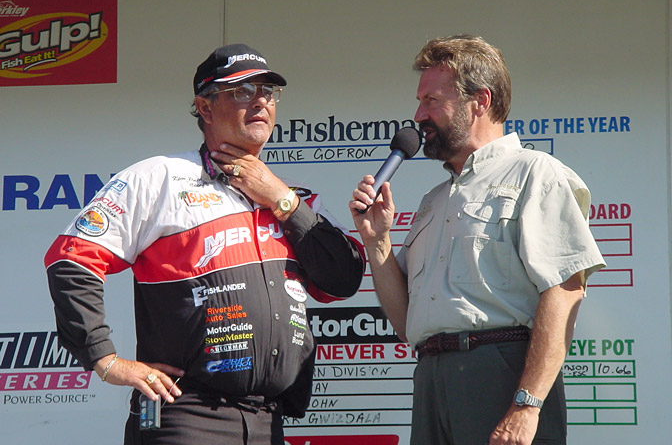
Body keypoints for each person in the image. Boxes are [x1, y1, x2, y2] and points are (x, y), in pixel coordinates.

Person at [45, 43, 365, 445]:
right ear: (205, 108)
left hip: (268, 420)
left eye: (267, 91)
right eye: (243, 91)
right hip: (186, 414)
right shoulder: (159, 178)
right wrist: (105, 359)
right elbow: (71, 259)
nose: (260, 101)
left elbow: (343, 280)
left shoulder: (293, 199)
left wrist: (280, 198)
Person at [349, 35, 605, 445]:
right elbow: (405, 322)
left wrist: (527, 404)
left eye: (432, 100)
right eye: (419, 102)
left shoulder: (535, 172)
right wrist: (377, 242)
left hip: (500, 374)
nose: (418, 115)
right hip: (431, 379)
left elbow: (565, 290)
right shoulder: (434, 200)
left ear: (480, 101)